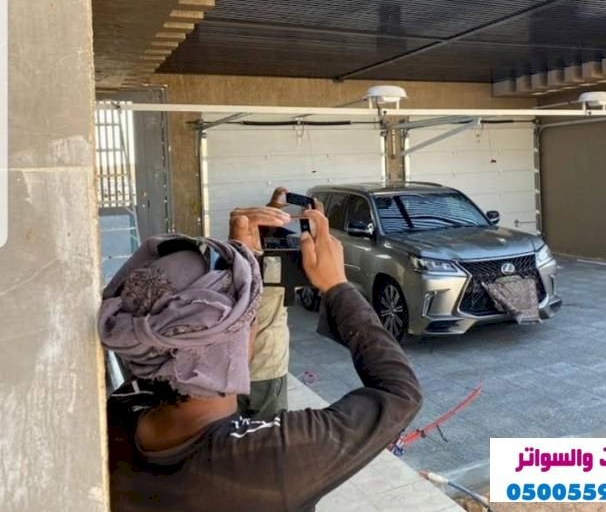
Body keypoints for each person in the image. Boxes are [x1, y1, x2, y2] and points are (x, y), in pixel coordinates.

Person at [100, 206, 422, 511]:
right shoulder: (268, 461)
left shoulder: (116, 416)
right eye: (250, 317)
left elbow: (178, 342)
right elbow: (400, 393)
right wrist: (338, 286)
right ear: (232, 343)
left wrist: (243, 261)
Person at [237, 187, 294, 418]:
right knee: (269, 433)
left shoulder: (228, 266)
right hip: (267, 368)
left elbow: (257, 235)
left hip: (232, 370)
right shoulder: (276, 269)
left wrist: (273, 206)